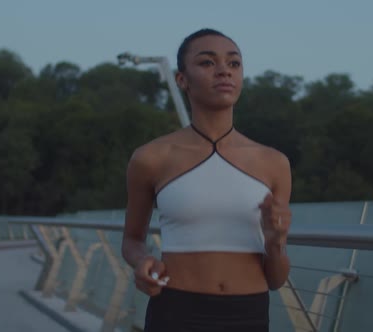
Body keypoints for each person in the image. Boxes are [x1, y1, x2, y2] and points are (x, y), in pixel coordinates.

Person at [121, 28, 292, 332]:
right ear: (181, 79)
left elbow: (276, 279)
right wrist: (141, 262)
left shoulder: (274, 163)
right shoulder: (151, 158)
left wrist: (275, 242)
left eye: (234, 63)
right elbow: (132, 240)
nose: (224, 70)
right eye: (207, 63)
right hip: (175, 312)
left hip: (249, 315)